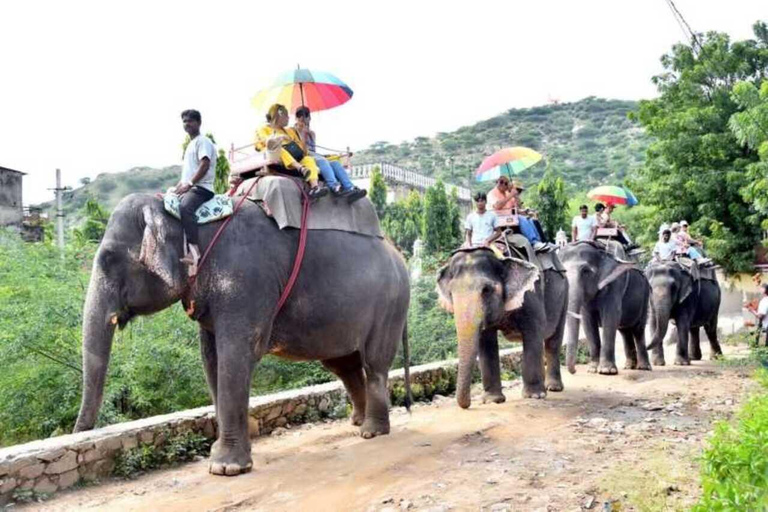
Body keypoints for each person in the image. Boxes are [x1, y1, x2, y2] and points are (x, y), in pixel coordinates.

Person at [255, 104, 327, 200]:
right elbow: (266, 143)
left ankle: (314, 187)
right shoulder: (264, 129)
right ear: (278, 116)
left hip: (293, 157)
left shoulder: (289, 131)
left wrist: (302, 135)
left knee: (308, 159)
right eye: (286, 116)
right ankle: (301, 168)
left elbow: (301, 149)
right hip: (274, 156)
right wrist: (280, 138)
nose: (289, 118)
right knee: (280, 148)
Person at [294, 106, 366, 202]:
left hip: (314, 156)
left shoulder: (312, 134)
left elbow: (314, 150)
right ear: (296, 118)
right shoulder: (293, 131)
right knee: (322, 161)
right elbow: (301, 151)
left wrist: (307, 133)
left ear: (309, 118)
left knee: (335, 163)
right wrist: (302, 134)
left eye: (305, 115)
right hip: (304, 157)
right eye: (299, 116)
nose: (302, 118)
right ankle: (334, 186)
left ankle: (350, 188)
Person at [176, 109, 217, 277]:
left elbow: (204, 164)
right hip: (191, 187)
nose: (187, 124)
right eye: (184, 121)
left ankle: (194, 250)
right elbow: (187, 173)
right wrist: (179, 186)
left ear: (199, 123)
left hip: (202, 188)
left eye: (190, 121)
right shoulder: (189, 146)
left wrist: (190, 184)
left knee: (185, 207)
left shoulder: (203, 141)